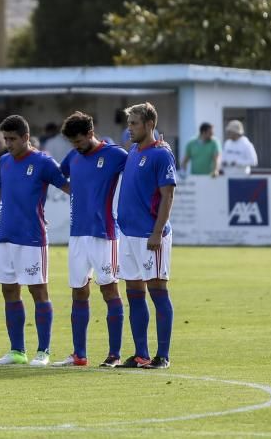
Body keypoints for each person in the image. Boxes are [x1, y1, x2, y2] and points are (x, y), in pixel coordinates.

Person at [0, 115, 67, 367]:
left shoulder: (43, 162)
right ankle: (17, 351)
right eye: (5, 139)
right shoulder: (4, 161)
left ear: (25, 137)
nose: (8, 144)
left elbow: (68, 186)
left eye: (12, 139)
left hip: (32, 237)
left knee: (38, 291)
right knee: (9, 290)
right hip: (5, 237)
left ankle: (43, 351)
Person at [53, 112, 127, 368]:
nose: (75, 147)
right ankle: (79, 355)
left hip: (104, 234)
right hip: (77, 235)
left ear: (89, 133)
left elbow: (140, 165)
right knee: (78, 292)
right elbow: (56, 174)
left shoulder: (115, 155)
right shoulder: (73, 156)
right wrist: (71, 191)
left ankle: (114, 355)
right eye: (72, 143)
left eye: (78, 141)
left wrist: (158, 147)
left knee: (109, 290)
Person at [117, 102, 176, 369]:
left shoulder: (162, 155)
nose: (130, 128)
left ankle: (162, 356)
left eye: (134, 123)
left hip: (150, 236)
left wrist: (156, 232)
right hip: (128, 234)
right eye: (129, 123)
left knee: (158, 292)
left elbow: (168, 196)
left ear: (149, 125)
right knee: (134, 293)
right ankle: (141, 354)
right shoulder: (132, 151)